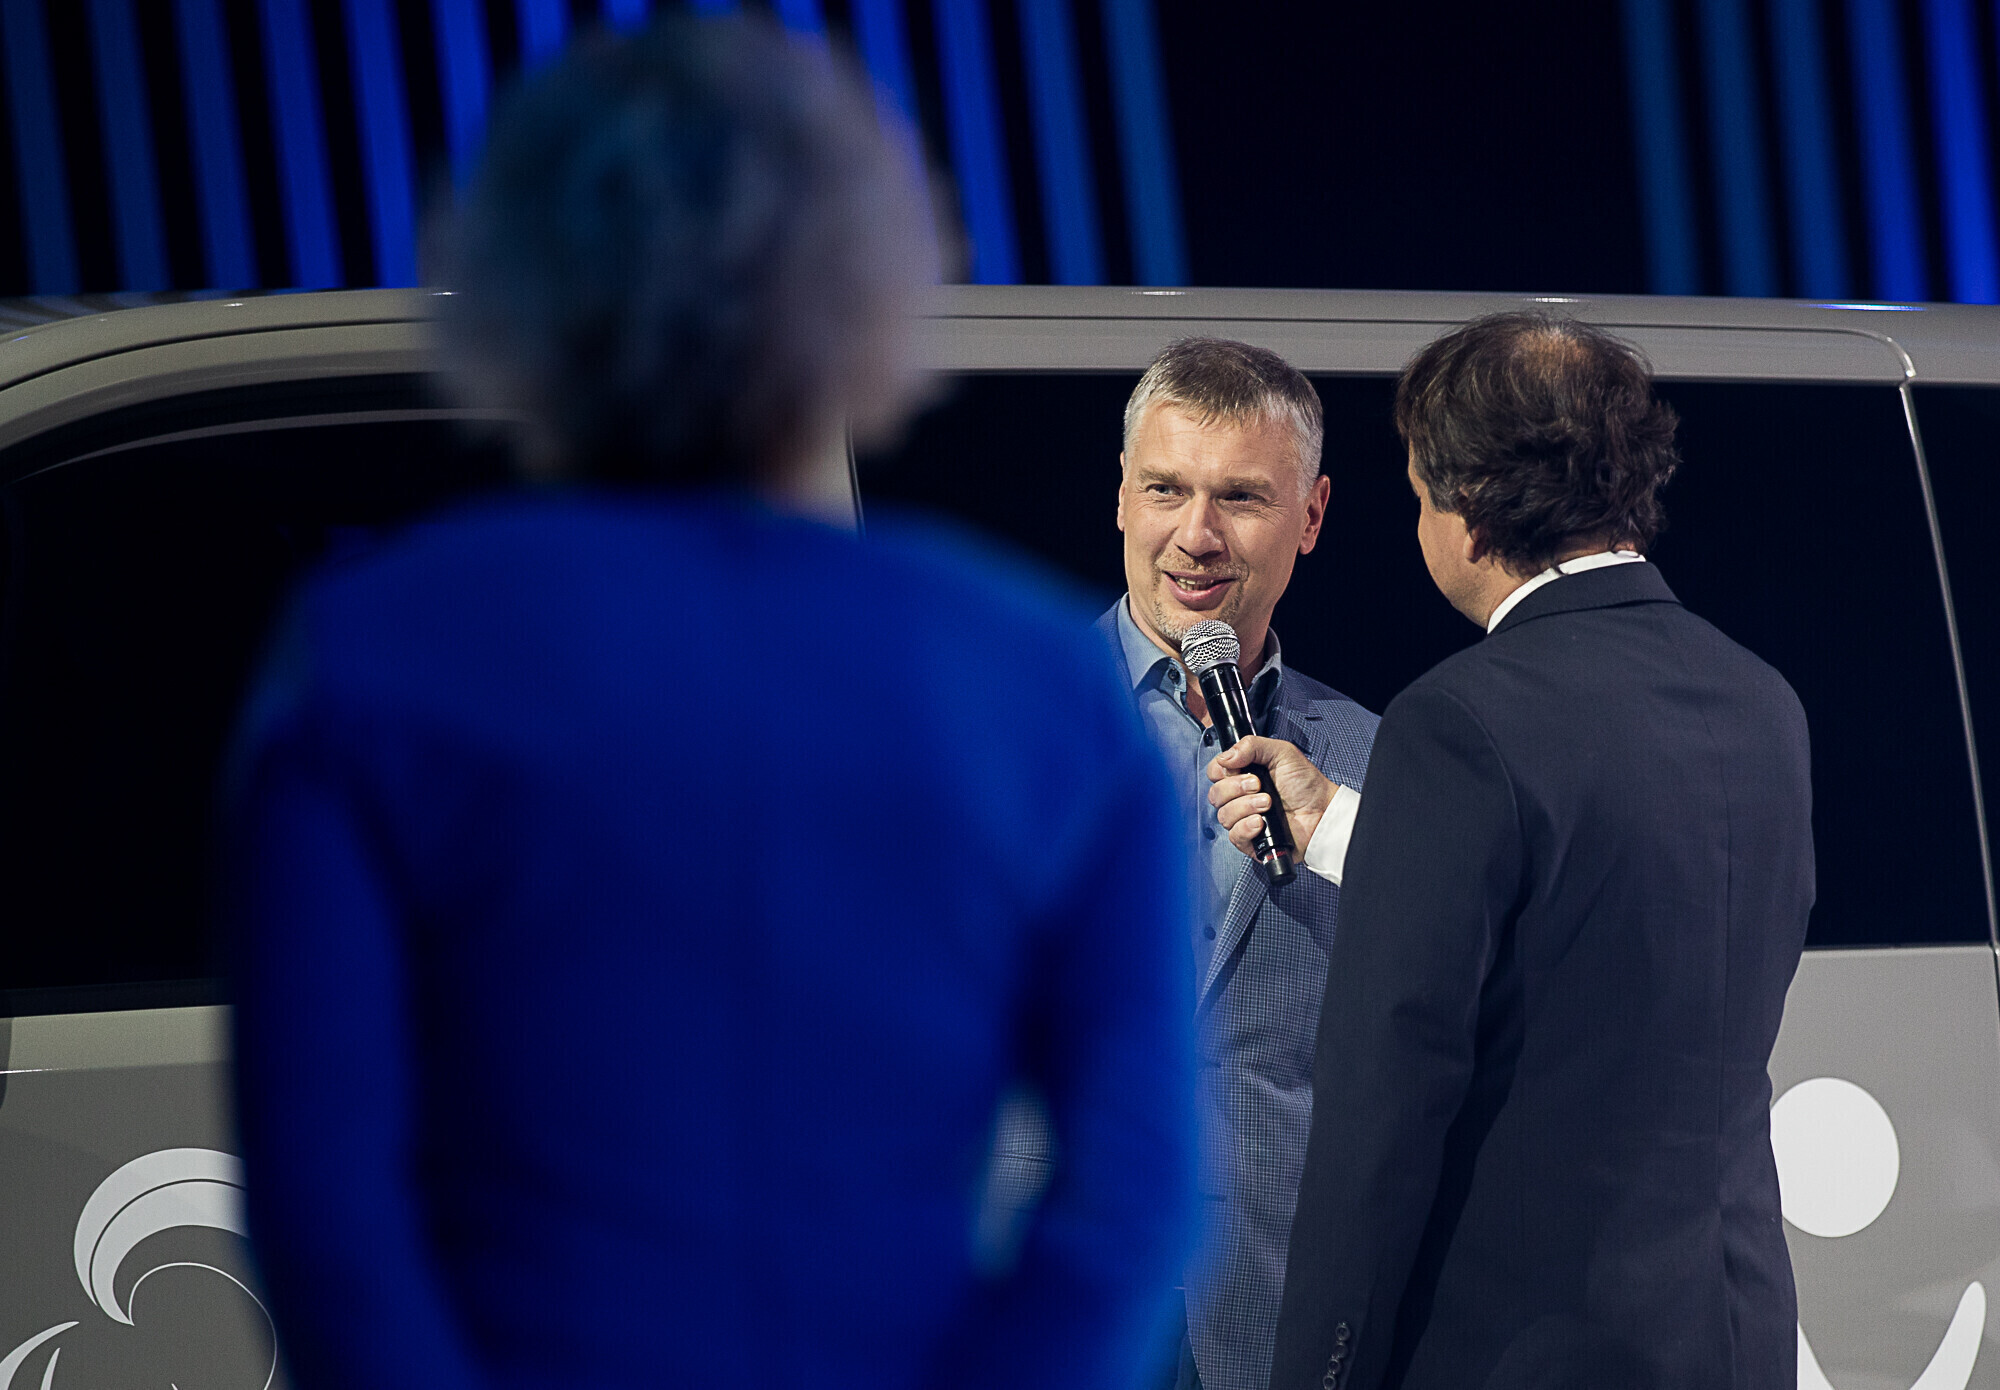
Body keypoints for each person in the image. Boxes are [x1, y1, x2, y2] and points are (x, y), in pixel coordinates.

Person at [223, 17, 1195, 1390]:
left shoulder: (369, 660)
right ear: (869, 284)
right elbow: (1133, 1193)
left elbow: (327, 1213)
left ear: (518, 282)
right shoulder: (1046, 688)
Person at [1209, 313, 1812, 1390]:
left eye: (1417, 494)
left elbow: (1382, 1118)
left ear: (1474, 509)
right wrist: (1345, 824)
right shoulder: (1758, 698)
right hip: (1728, 1339)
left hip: (1523, 1350)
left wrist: (1321, 1369)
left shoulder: (1457, 721)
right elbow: (1587, 919)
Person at [1096, 338, 1378, 1390]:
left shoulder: (1374, 763)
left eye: (1242, 497)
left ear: (1310, 515)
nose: (1196, 536)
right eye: (1165, 488)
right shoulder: (990, 725)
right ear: (1121, 495)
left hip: (1275, 1308)